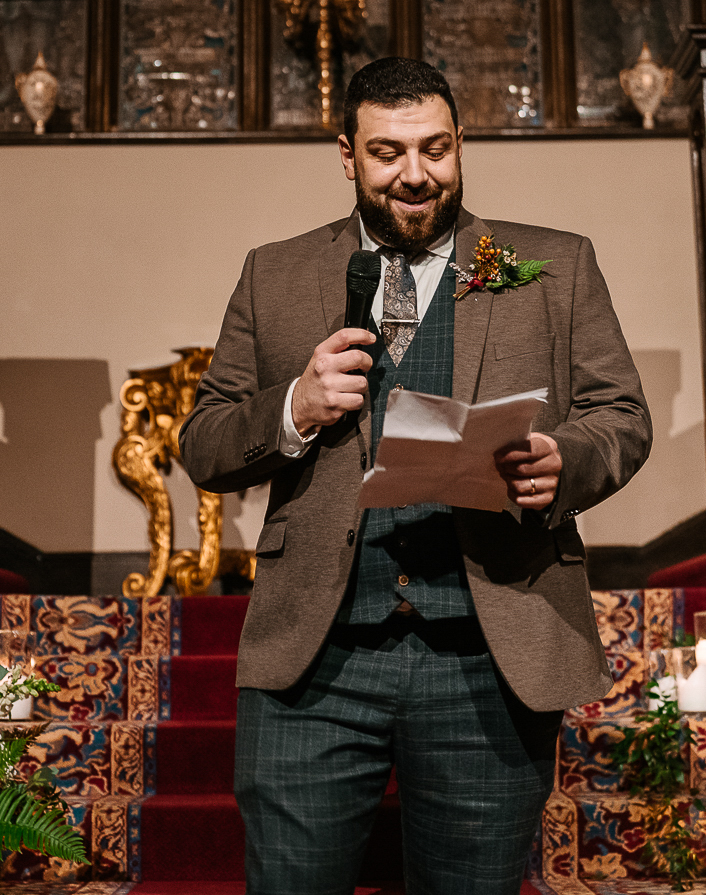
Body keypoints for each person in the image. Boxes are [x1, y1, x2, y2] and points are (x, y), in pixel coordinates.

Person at [179, 57, 652, 895]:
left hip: (486, 651)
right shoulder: (275, 273)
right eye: (388, 153)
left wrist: (563, 463)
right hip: (314, 662)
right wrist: (293, 405)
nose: (414, 175)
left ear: (460, 146)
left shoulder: (551, 264)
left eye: (435, 150)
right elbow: (207, 443)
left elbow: (621, 417)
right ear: (347, 155)